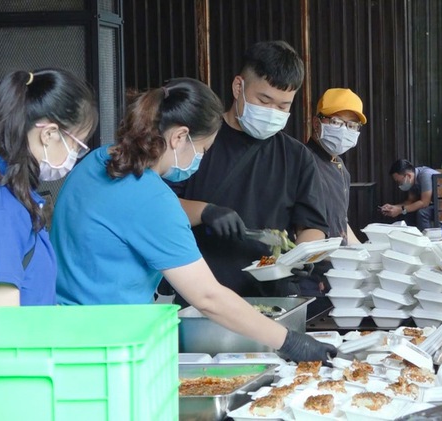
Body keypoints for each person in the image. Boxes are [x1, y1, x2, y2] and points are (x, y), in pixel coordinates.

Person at [51, 78, 335, 363]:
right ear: (179, 137)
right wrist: (289, 341)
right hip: (107, 346)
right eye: (203, 150)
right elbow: (208, 298)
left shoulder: (97, 161)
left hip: (61, 334)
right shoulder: (153, 198)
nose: (200, 158)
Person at [168, 40, 329, 298]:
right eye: (264, 100)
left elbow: (312, 225)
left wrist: (301, 257)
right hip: (201, 295)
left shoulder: (298, 157)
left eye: (283, 106)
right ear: (238, 87)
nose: (272, 112)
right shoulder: (195, 141)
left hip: (271, 296)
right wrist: (205, 211)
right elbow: (158, 206)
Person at [0, 69, 97, 322]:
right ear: (48, 134)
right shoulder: (0, 208)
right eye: (77, 146)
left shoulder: (15, 196)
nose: (75, 157)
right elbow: (4, 323)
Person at [306, 88, 365, 246]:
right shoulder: (303, 162)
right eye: (336, 122)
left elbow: (340, 222)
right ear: (316, 123)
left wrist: (364, 251)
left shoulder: (341, 169)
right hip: (315, 263)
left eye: (352, 125)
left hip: (340, 264)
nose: (344, 130)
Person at [380, 159, 439, 231]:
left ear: (408, 176)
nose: (399, 185)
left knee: (422, 213)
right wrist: (394, 207)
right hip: (437, 204)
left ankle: (427, 239)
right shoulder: (412, 181)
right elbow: (410, 202)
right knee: (410, 212)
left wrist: (400, 210)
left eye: (399, 182)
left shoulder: (424, 175)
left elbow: (424, 203)